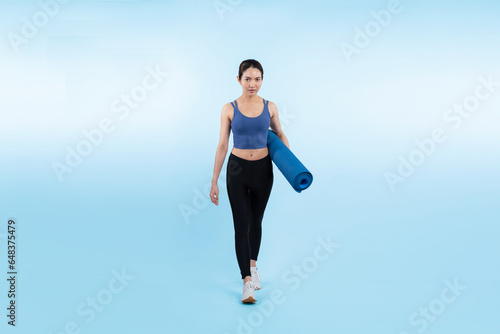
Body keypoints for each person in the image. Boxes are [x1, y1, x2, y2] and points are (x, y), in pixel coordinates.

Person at [210, 59, 290, 303]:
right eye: (248, 79)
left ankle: (253, 266)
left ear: (262, 80)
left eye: (257, 79)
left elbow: (280, 134)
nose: (252, 83)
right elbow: (223, 145)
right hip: (237, 170)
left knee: (256, 221)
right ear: (239, 80)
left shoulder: (271, 107)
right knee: (241, 224)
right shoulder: (229, 108)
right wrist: (214, 180)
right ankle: (246, 282)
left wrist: (290, 165)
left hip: (263, 170)